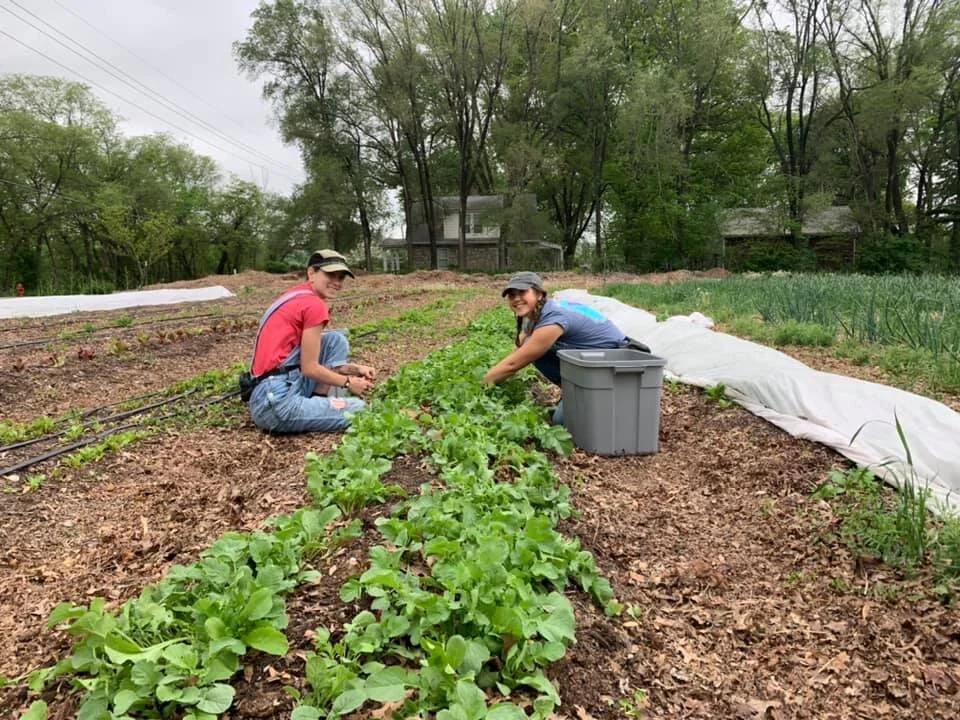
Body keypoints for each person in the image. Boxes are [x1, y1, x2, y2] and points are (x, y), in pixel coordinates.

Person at [483, 271, 644, 424]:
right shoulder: (541, 312)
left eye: (522, 292)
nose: (516, 299)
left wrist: (480, 385)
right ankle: (576, 392)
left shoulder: (553, 319)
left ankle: (599, 401)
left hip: (619, 368)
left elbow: (513, 364)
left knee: (561, 421)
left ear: (539, 294)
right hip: (597, 361)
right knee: (536, 351)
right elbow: (519, 350)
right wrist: (495, 372)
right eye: (512, 295)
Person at [247, 249, 376, 433]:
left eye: (341, 277)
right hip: (277, 405)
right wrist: (349, 382)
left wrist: (355, 369)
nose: (336, 282)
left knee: (335, 340)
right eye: (330, 274)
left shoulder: (297, 295)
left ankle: (319, 402)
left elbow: (308, 361)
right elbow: (309, 368)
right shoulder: (314, 305)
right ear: (311, 273)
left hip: (268, 391)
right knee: (359, 409)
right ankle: (319, 407)